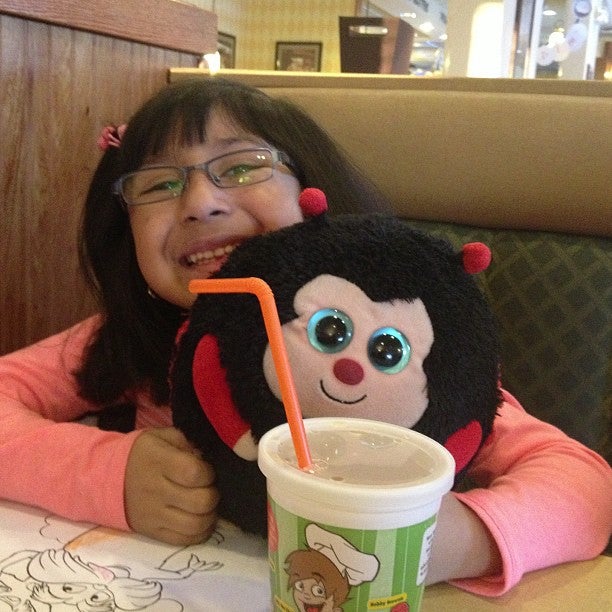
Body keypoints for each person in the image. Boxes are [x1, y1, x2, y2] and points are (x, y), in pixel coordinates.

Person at [0, 78, 609, 597]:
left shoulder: (383, 347)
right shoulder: (123, 341)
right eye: (158, 184)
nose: (200, 203)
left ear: (313, 192)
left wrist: (445, 539)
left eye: (243, 166)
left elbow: (582, 486)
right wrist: (111, 474)